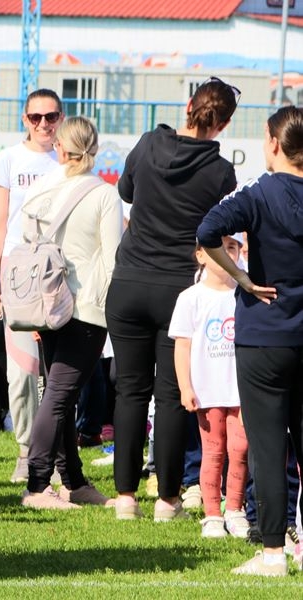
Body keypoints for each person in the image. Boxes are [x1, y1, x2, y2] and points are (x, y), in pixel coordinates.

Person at [106, 76, 239, 521]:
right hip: (178, 288)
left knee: (129, 390)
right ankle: (167, 499)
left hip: (128, 282)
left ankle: (125, 496)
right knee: (169, 395)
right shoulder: (220, 171)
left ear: (188, 106)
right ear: (222, 125)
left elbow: (126, 192)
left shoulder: (148, 144)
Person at [197, 105, 303, 576]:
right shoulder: (261, 193)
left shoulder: (259, 193)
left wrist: (240, 276)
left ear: (274, 144)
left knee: (266, 445)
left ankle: (274, 552)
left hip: (265, 338)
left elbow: (206, 230)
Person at [16, 116, 122, 510]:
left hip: (44, 302)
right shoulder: (103, 195)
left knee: (57, 394)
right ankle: (38, 483)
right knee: (60, 396)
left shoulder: (42, 189)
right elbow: (113, 259)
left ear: (60, 147)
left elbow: (26, 244)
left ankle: (72, 479)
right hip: (86, 306)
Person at [0, 89, 64, 482]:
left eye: (51, 117)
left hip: (59, 273)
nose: (44, 125)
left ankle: (55, 457)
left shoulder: (67, 158)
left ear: (61, 118)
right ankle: (26, 450)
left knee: (58, 370)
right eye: (36, 117)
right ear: (24, 119)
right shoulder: (9, 160)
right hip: (17, 274)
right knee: (22, 373)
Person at [168, 235, 249, 539]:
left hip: (240, 390)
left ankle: (235, 509)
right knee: (213, 451)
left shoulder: (244, 294)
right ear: (201, 255)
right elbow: (182, 347)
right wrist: (185, 386)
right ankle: (212, 513)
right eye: (219, 247)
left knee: (239, 449)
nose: (226, 253)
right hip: (208, 390)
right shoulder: (191, 298)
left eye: (232, 247)